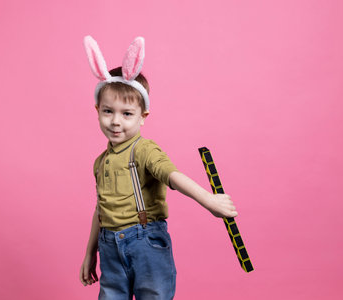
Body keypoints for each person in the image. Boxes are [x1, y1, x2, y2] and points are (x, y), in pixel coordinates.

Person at [79, 36, 238, 300]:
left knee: (154, 295)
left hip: (144, 243)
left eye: (127, 113)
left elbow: (172, 176)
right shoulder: (101, 161)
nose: (116, 121)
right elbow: (101, 208)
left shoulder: (143, 150)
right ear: (97, 110)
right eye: (108, 111)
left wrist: (209, 200)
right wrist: (89, 253)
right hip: (109, 247)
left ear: (143, 117)